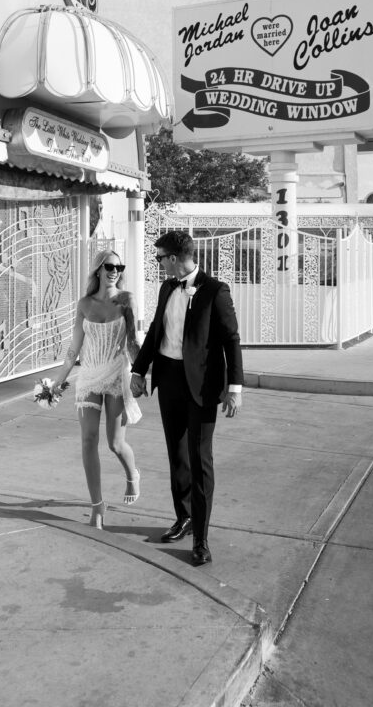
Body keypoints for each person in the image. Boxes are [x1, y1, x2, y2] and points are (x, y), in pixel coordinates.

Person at [130, 230, 243, 566]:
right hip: (169, 379)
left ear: (176, 258)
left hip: (202, 387)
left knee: (200, 458)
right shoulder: (167, 288)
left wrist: (234, 388)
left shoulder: (215, 291)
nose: (158, 263)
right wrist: (139, 371)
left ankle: (202, 539)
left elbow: (232, 340)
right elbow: (155, 330)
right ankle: (184, 517)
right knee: (177, 456)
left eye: (160, 257)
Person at [51, 248, 142, 529]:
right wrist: (58, 381)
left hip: (116, 374)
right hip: (89, 376)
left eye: (119, 267)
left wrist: (141, 373)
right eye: (110, 266)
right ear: (99, 270)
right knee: (88, 440)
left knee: (115, 443)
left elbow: (132, 342)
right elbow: (73, 349)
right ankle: (97, 506)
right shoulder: (84, 304)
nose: (115, 271)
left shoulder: (127, 301)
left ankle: (132, 475)